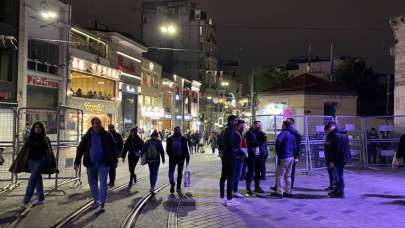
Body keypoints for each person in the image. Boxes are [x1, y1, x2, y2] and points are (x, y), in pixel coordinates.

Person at [10, 122, 57, 210]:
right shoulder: (30, 138)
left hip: (40, 162)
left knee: (32, 181)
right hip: (31, 161)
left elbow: (49, 152)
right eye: (36, 127)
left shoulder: (45, 139)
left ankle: (25, 201)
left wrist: (50, 163)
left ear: (42, 129)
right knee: (37, 180)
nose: (37, 129)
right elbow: (25, 150)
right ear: (33, 129)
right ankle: (41, 198)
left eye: (39, 127)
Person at [74, 117, 117, 211]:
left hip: (104, 163)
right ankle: (96, 200)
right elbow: (80, 148)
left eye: (98, 123)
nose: (97, 125)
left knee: (103, 184)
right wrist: (77, 161)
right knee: (92, 183)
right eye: (95, 123)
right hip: (91, 163)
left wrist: (115, 161)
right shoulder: (87, 136)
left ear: (101, 124)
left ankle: (102, 202)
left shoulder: (107, 135)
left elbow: (113, 148)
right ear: (92, 124)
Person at [324, 121, 351, 198]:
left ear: (330, 128)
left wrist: (332, 161)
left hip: (338, 158)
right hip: (342, 157)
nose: (327, 133)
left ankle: (340, 192)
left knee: (339, 175)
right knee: (338, 175)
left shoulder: (335, 135)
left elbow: (335, 149)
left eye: (327, 130)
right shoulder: (343, 133)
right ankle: (337, 190)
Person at [218, 115, 240, 206]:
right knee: (230, 177)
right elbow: (231, 143)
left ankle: (222, 197)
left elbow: (220, 142)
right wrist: (235, 150)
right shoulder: (231, 130)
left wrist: (222, 151)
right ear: (231, 121)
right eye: (235, 121)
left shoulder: (224, 130)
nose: (237, 122)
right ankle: (229, 199)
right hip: (230, 156)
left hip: (225, 156)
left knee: (223, 177)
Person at [272, 121, 297, 198]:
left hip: (284, 156)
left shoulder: (283, 133)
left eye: (282, 125)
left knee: (280, 175)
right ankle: (288, 192)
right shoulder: (293, 134)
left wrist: (278, 152)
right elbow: (295, 146)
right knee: (288, 175)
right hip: (291, 157)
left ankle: (279, 192)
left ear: (285, 125)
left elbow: (278, 142)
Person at [166, 126, 190, 193]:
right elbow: (185, 150)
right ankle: (178, 187)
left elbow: (167, 150)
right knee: (180, 173)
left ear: (174, 131)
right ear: (180, 131)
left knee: (171, 172)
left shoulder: (169, 139)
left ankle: (172, 183)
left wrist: (170, 155)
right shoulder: (183, 138)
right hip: (181, 158)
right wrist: (187, 159)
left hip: (172, 158)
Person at [245, 121, 264, 195]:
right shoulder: (250, 133)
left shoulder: (260, 133)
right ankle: (248, 188)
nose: (258, 126)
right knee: (250, 172)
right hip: (251, 155)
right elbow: (252, 143)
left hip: (259, 155)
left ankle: (257, 187)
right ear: (253, 125)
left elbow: (262, 142)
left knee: (258, 172)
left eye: (259, 125)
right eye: (257, 125)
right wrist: (259, 141)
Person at [233, 120, 247, 198]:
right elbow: (236, 146)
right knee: (236, 175)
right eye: (243, 125)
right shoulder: (236, 133)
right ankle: (235, 190)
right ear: (239, 125)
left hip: (239, 156)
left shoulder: (238, 133)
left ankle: (234, 189)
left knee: (236, 174)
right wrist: (242, 151)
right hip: (237, 157)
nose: (244, 126)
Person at [286, 118, 301, 190]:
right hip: (288, 154)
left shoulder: (295, 133)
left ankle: (290, 187)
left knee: (291, 171)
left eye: (287, 122)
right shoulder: (290, 132)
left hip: (291, 154)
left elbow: (297, 145)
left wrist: (296, 156)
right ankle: (286, 187)